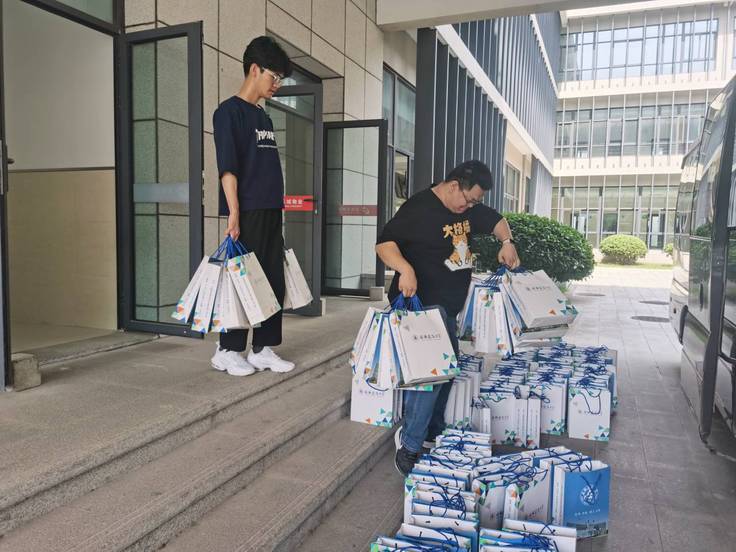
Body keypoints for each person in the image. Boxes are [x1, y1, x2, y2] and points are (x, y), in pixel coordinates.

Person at [375, 159, 521, 475]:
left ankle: (431, 430)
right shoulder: (419, 208)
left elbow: (497, 221)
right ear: (454, 185)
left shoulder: (467, 209)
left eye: (475, 202)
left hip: (447, 309)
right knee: (431, 376)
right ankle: (410, 444)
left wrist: (507, 242)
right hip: (422, 306)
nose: (469, 207)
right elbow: (384, 244)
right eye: (468, 200)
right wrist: (405, 269)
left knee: (447, 370)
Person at [210, 36, 295, 377]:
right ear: (255, 69)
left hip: (271, 210)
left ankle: (263, 348)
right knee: (241, 282)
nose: (277, 84)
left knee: (272, 281)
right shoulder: (228, 113)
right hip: (247, 211)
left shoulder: (264, 117)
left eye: (281, 79)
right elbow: (228, 168)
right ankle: (227, 350)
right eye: (274, 76)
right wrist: (234, 213)